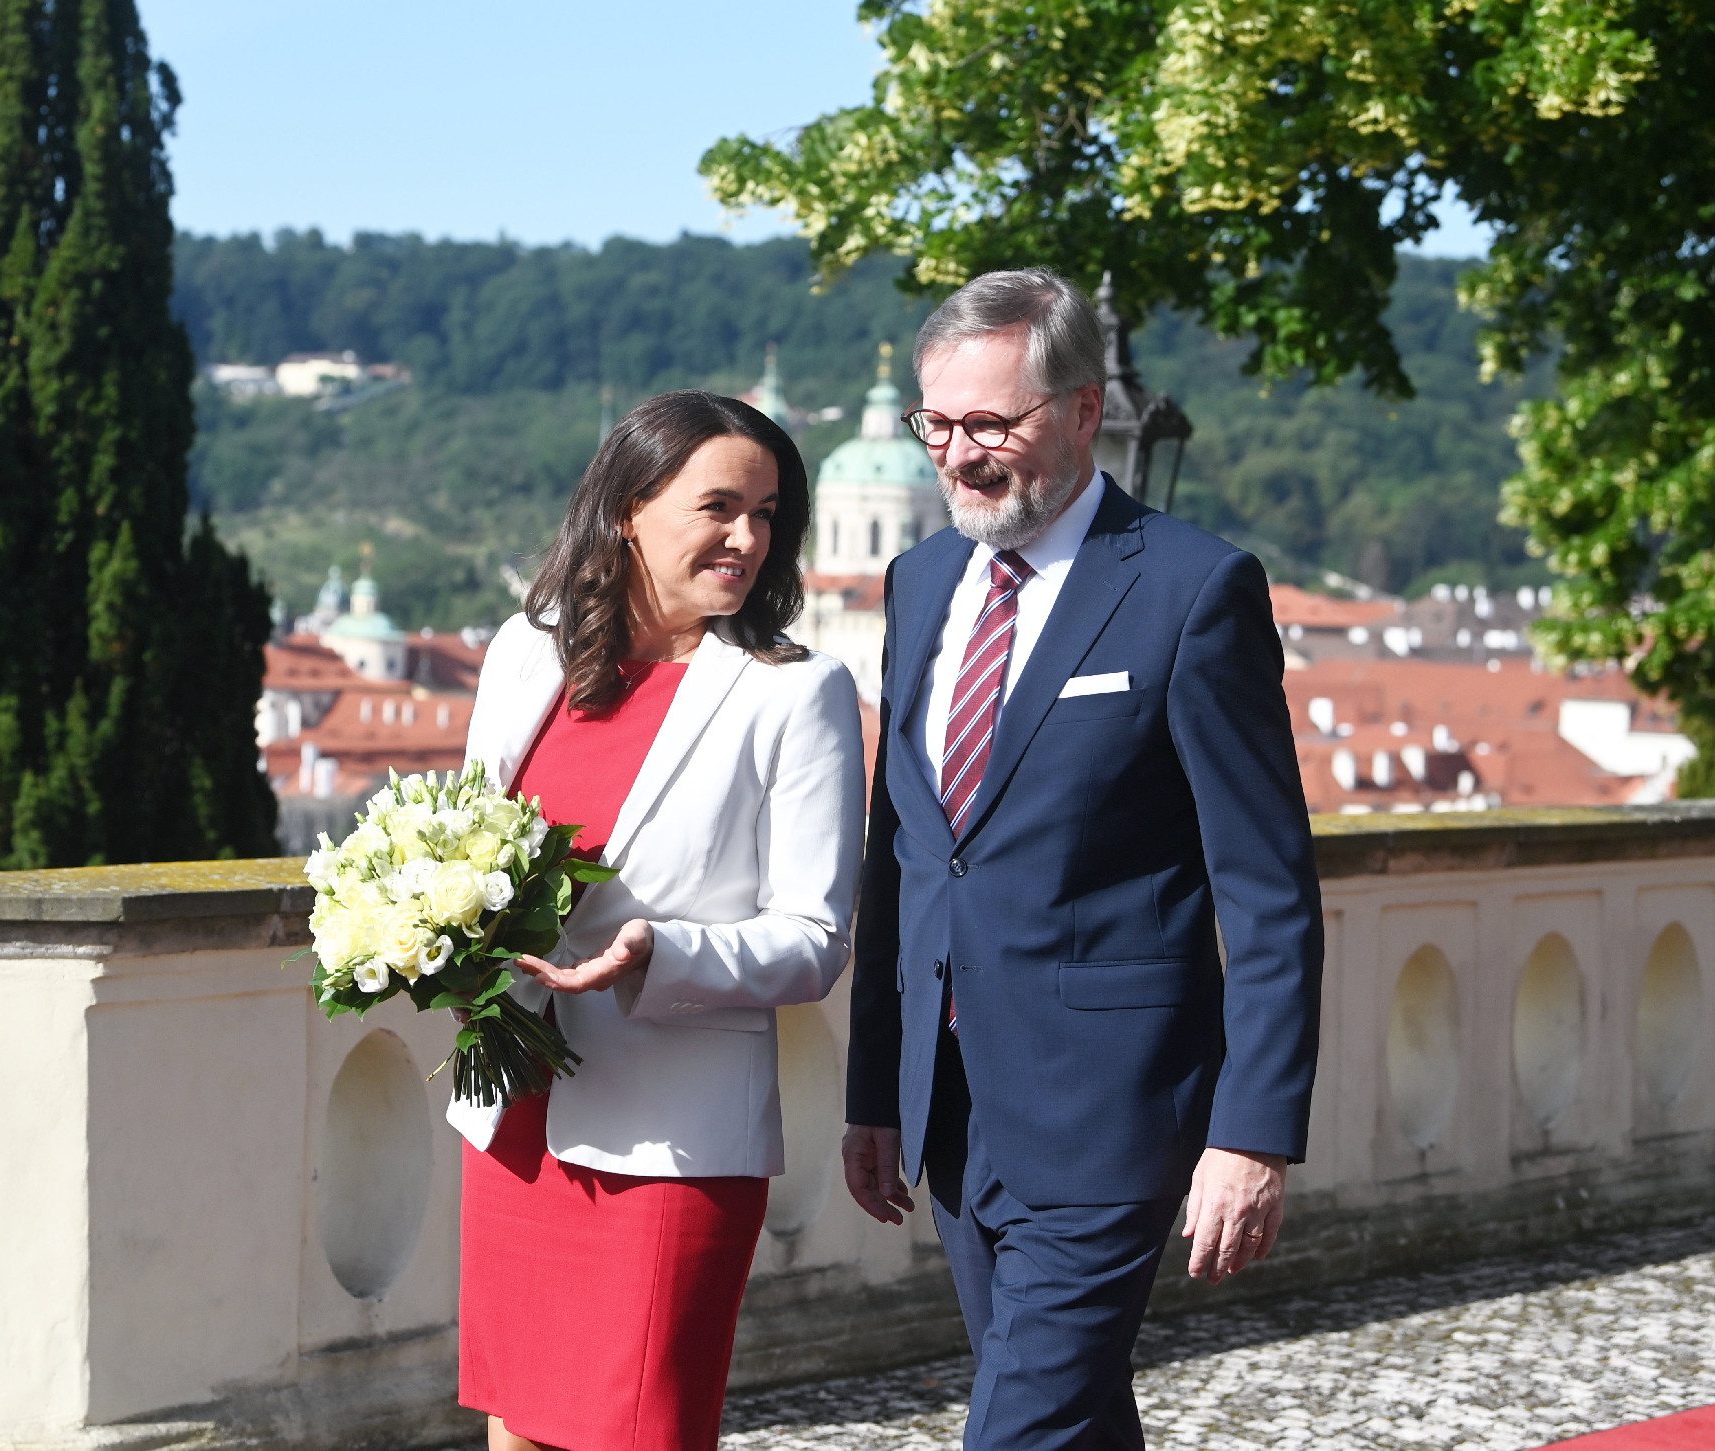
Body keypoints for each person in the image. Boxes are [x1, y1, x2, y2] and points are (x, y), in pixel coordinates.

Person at [842, 268, 1322, 1450]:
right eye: (936, 424)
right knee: (1077, 1422)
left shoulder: (1190, 588)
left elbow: (1266, 892)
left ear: (1082, 409)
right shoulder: (920, 582)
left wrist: (1251, 1131)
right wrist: (871, 1091)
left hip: (1113, 1108)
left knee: (1014, 1432)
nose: (958, 455)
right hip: (949, 1109)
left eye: (991, 424)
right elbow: (899, 856)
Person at [449, 389, 867, 1451]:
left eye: (767, 513)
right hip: (514, 1110)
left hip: (673, 1135)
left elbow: (815, 935)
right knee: (520, 1422)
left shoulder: (796, 692)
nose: (747, 536)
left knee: (642, 1427)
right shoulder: (522, 651)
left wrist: (658, 952)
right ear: (628, 507)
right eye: (719, 504)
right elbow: (462, 849)